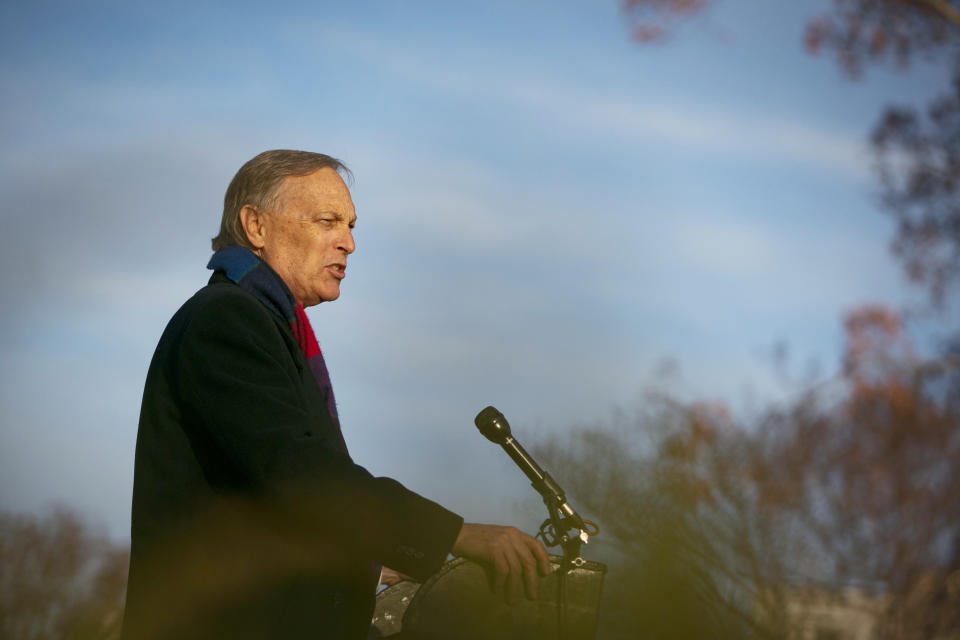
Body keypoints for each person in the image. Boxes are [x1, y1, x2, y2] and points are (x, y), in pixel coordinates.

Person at [122, 150, 550, 640]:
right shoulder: (226, 319)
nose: (348, 243)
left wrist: (368, 564)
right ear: (256, 226)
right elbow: (299, 475)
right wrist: (456, 535)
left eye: (350, 226)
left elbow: (264, 508)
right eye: (327, 221)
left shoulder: (266, 323)